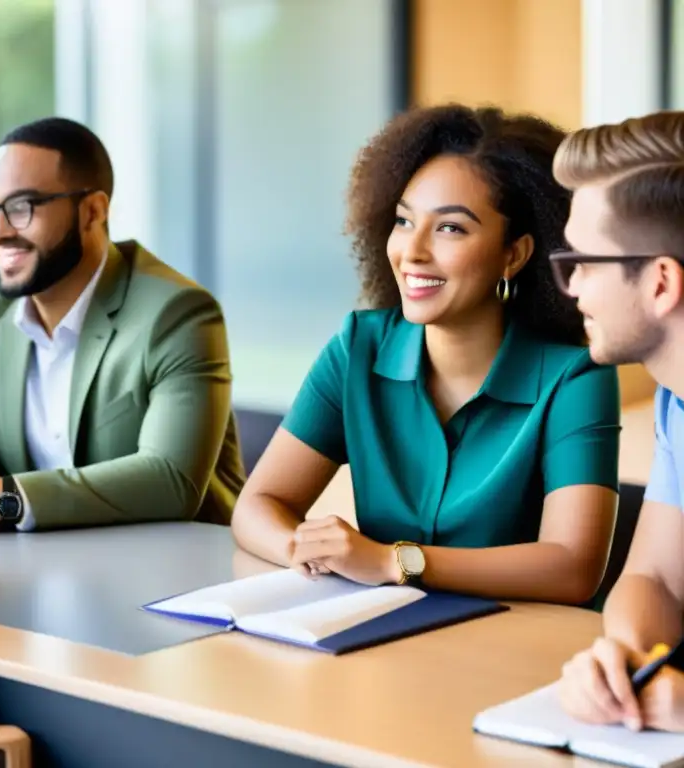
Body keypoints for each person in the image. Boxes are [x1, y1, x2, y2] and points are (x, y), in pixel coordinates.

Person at [231, 105, 621, 604]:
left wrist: (392, 561)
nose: (411, 251)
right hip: (377, 635)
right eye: (403, 220)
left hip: (513, 650)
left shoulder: (576, 376)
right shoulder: (358, 347)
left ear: (515, 254)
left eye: (450, 228)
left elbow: (572, 567)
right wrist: (307, 552)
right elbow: (260, 503)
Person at [0, 117, 245, 531]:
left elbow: (170, 479)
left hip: (181, 573)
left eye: (22, 207)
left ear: (92, 211)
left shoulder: (177, 313)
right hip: (43, 567)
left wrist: (2, 499)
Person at [554, 111, 684, 733]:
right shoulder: (678, 401)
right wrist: (634, 666)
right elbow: (655, 578)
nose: (571, 287)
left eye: (582, 261)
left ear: (661, 283)